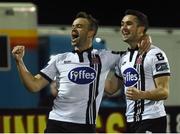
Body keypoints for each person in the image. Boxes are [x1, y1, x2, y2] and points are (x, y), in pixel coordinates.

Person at [12, 11, 150, 133]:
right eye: (73, 26)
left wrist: (146, 39)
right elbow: (34, 85)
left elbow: (134, 54)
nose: (73, 29)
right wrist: (19, 61)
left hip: (84, 126)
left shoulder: (105, 56)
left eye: (79, 26)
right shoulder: (60, 59)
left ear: (90, 32)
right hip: (56, 124)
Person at [105, 9, 171, 133]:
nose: (123, 28)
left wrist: (141, 94)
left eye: (129, 24)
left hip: (152, 120)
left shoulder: (155, 54)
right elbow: (110, 88)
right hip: (131, 122)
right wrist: (95, 72)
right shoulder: (123, 58)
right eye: (122, 24)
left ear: (141, 29)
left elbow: (164, 91)